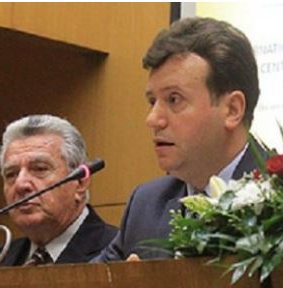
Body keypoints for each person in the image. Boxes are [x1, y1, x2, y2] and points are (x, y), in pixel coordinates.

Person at [95, 17, 264, 262]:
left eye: (174, 99)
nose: (153, 119)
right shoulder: (147, 204)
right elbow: (89, 283)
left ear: (232, 110)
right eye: (152, 101)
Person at [0, 114, 118, 267]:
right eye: (11, 174)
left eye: (39, 169)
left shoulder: (120, 255)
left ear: (80, 182)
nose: (20, 184)